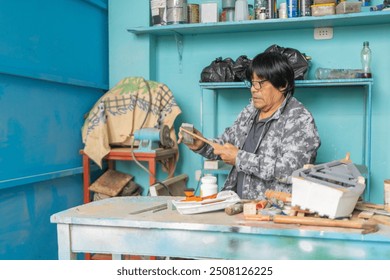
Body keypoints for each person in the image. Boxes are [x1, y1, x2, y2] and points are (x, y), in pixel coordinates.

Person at [179, 51, 321, 200]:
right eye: (252, 83)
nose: (254, 89)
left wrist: (239, 158)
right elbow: (227, 144)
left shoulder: (299, 119)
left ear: (282, 85)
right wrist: (202, 144)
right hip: (239, 205)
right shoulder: (250, 111)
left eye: (260, 83)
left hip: (273, 210)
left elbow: (291, 170)